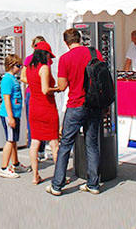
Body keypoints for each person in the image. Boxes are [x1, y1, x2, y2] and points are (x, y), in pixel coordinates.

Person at [46, 28, 104, 196]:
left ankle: (57, 185)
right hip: (94, 104)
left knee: (65, 145)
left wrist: (52, 89)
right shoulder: (95, 53)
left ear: (66, 42)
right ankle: (93, 184)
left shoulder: (65, 58)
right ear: (80, 38)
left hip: (76, 105)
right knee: (92, 144)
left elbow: (63, 86)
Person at [25, 41, 60, 185]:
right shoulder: (44, 68)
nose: (49, 58)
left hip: (34, 106)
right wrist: (58, 89)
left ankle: (35, 175)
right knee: (54, 142)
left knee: (35, 142)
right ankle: (59, 176)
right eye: (48, 55)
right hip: (46, 107)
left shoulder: (29, 67)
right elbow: (45, 90)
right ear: (44, 54)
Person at [0, 54, 28, 178]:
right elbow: (6, 99)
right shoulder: (7, 79)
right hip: (9, 114)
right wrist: (10, 117)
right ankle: (4, 167)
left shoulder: (13, 78)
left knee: (14, 139)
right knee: (10, 140)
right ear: (11, 65)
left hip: (15, 114)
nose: (20, 68)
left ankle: (16, 163)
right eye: (18, 65)